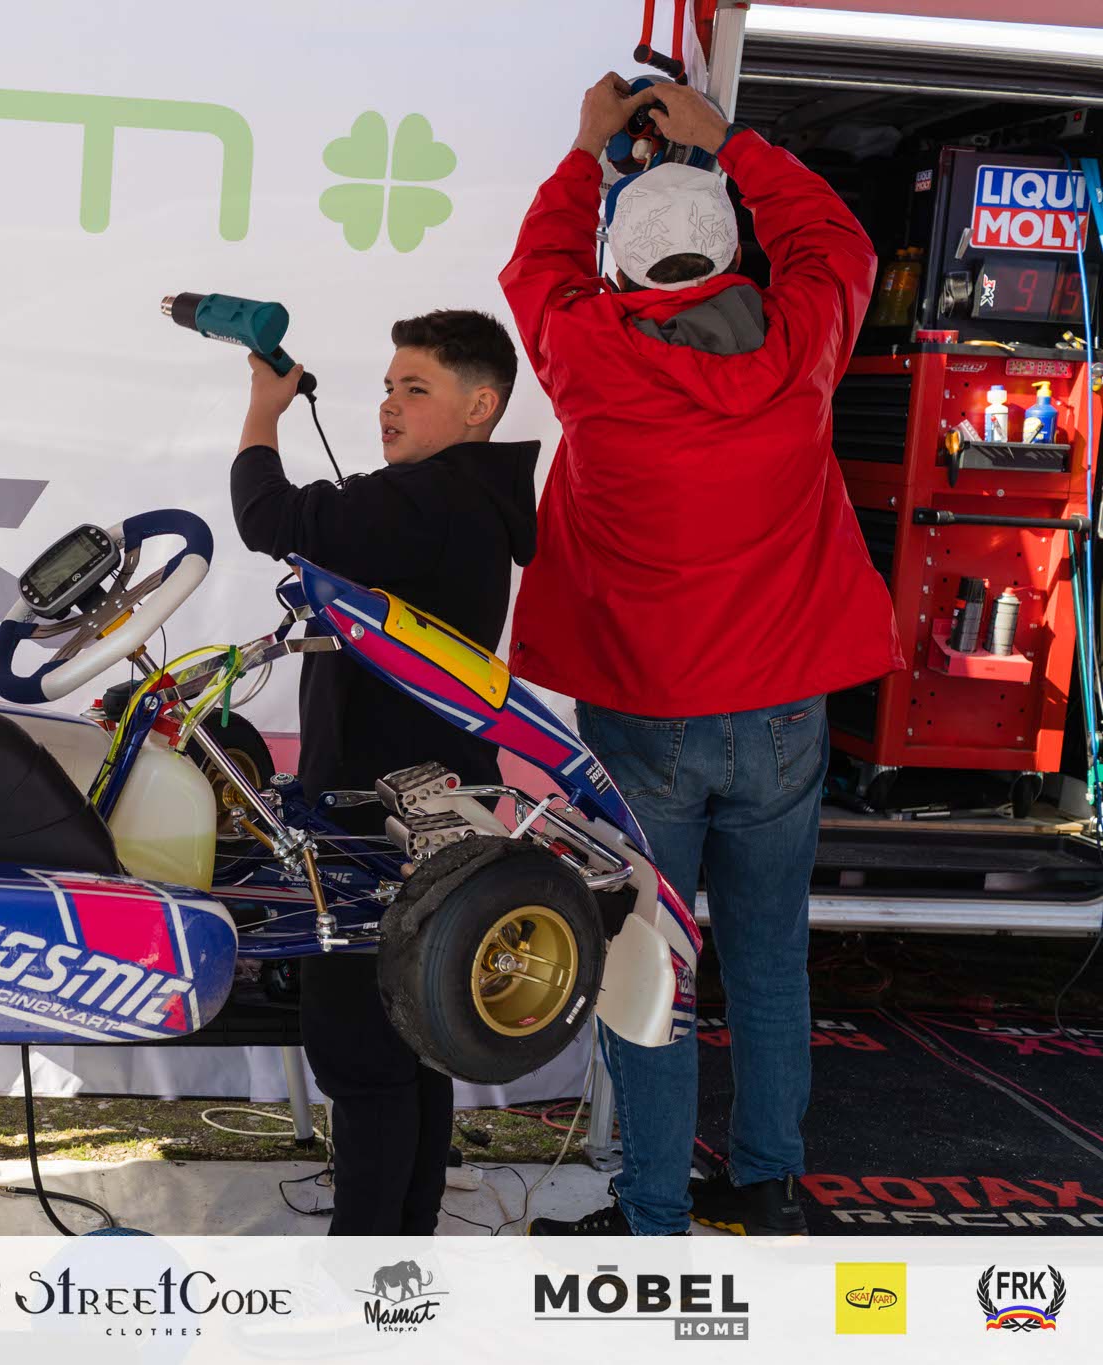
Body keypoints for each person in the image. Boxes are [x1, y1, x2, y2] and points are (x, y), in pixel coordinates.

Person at [500, 76, 901, 1236]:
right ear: (732, 252)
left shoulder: (586, 349)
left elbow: (536, 267)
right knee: (769, 959)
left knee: (650, 967)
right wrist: (728, 142)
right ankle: (768, 1186)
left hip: (644, 718)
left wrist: (587, 148)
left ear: (620, 271)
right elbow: (833, 241)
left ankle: (651, 1216)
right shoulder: (801, 342)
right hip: (780, 715)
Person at [231, 310, 537, 1235]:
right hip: (433, 811)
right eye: (387, 387)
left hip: (375, 823)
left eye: (416, 388)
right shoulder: (471, 499)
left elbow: (268, 516)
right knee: (416, 1044)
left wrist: (263, 409)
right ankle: (403, 1260)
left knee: (365, 1055)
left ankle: (361, 1269)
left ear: (480, 406)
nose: (388, 406)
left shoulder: (428, 498)